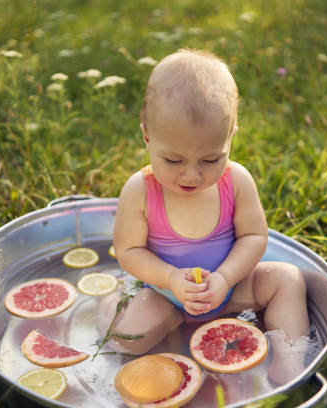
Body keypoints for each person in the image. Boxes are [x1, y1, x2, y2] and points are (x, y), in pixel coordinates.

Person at [98, 48, 309, 384]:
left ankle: (290, 359)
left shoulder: (236, 181)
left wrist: (225, 277)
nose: (191, 176)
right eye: (173, 160)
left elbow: (254, 237)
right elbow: (129, 251)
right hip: (166, 297)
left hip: (232, 288)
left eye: (211, 160)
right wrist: (169, 279)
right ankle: (111, 305)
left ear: (230, 136)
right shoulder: (140, 190)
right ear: (147, 137)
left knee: (287, 278)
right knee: (128, 337)